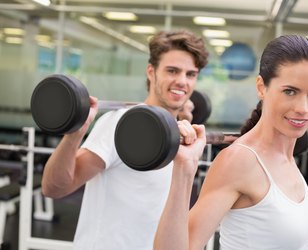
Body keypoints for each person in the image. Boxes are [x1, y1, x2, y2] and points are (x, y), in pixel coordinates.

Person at [154, 34, 308, 250]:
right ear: (261, 87)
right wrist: (184, 169)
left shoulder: (287, 158)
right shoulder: (239, 160)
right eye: (290, 91)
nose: (303, 108)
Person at [41, 30, 209, 250]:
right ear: (151, 72)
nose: (181, 81)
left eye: (190, 74)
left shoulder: (183, 138)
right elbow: (54, 188)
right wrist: (74, 136)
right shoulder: (120, 123)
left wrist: (184, 117)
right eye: (172, 71)